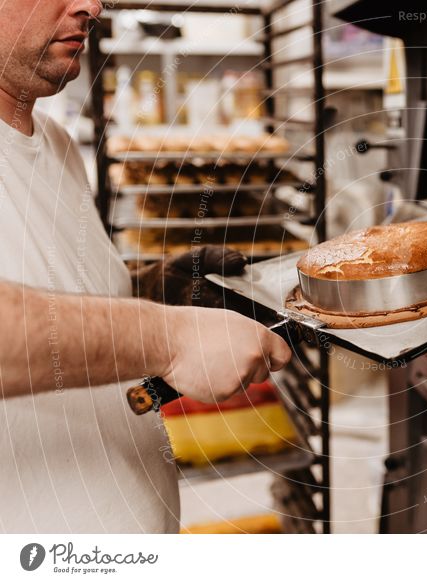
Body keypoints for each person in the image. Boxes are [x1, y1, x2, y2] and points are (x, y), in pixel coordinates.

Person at [0, 0, 291, 533]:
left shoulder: (57, 144)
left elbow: (46, 290)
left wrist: (153, 291)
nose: (92, 6)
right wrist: (167, 336)